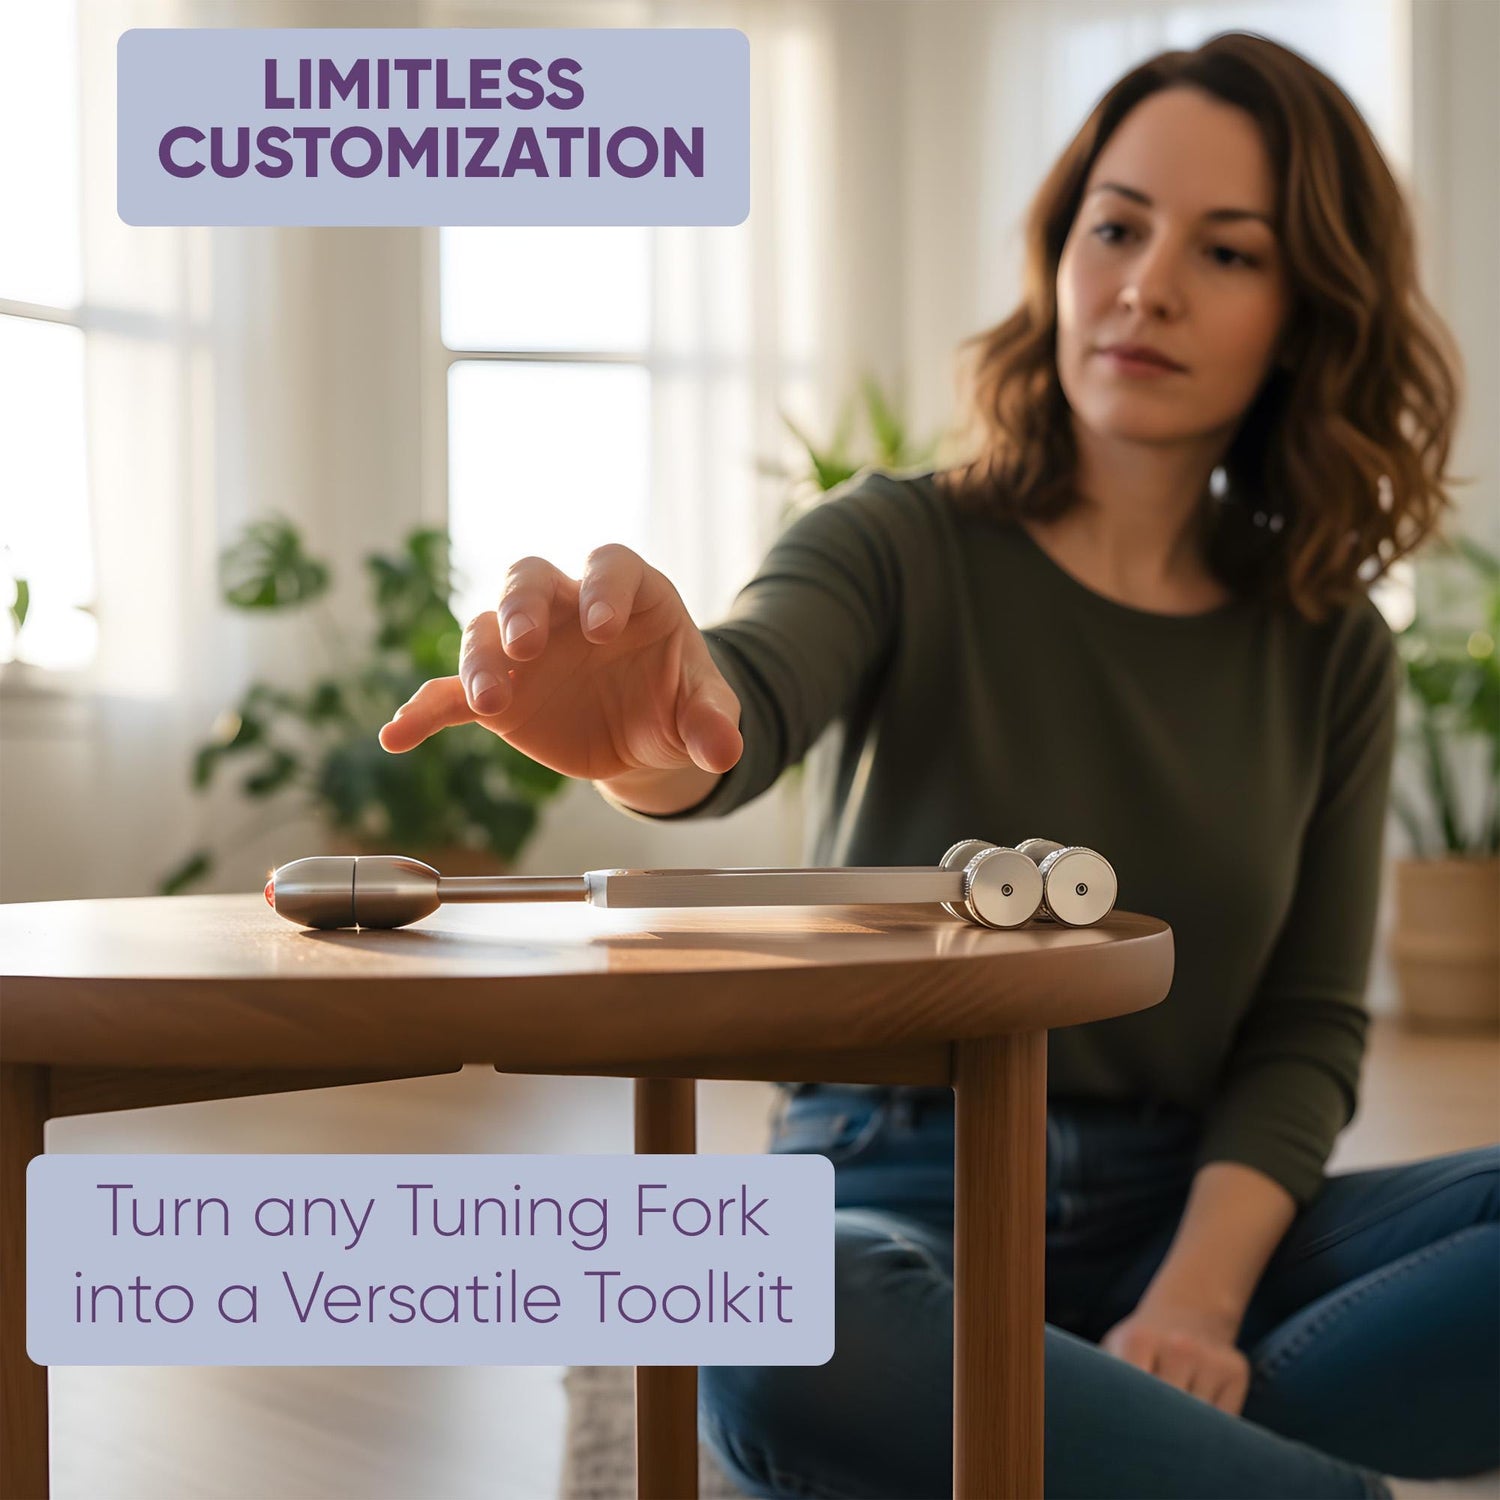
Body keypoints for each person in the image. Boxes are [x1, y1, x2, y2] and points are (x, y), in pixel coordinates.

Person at [378, 29, 1498, 1500]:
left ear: (1306, 313)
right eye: (1116, 226)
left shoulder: (1330, 643)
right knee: (775, 1312)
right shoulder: (895, 541)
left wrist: (1194, 1306)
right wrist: (654, 740)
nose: (1146, 284)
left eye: (1228, 253)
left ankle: (1105, 1445)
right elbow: (740, 700)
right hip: (890, 1193)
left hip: (1195, 1223)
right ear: (1060, 252)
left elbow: (1302, 1033)